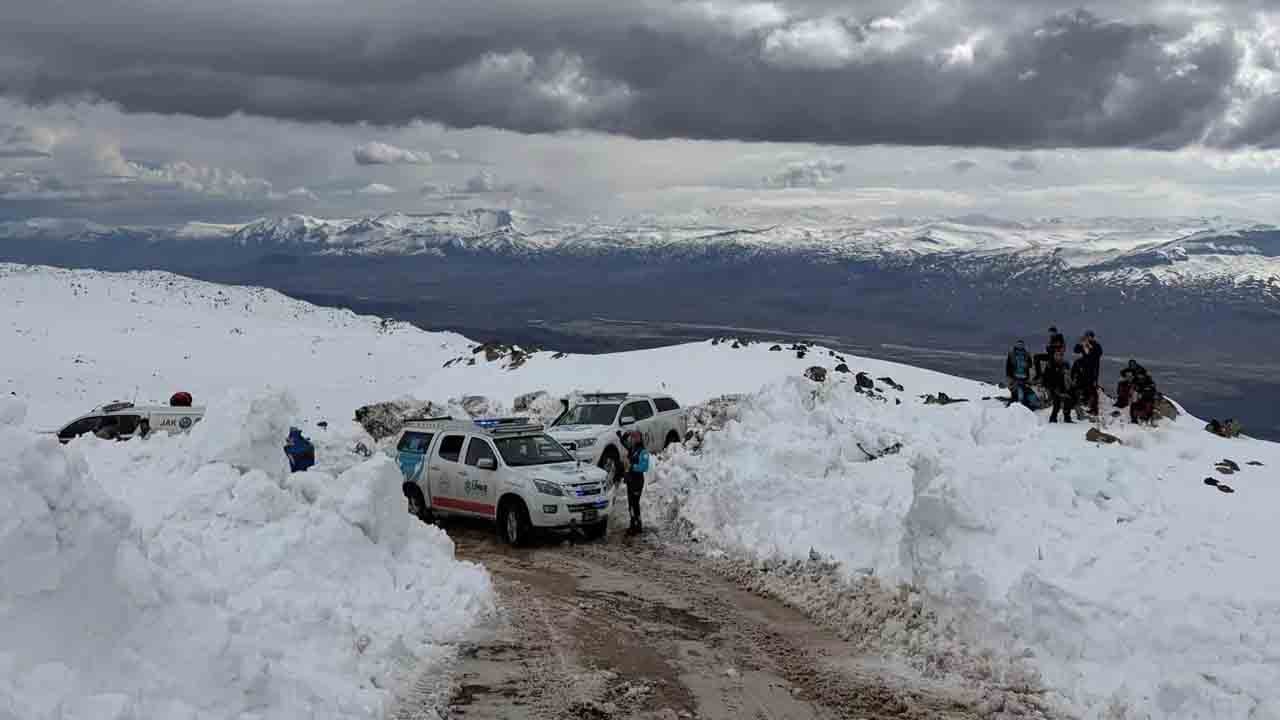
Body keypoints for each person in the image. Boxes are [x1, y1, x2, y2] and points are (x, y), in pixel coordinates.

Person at [621, 430, 650, 536]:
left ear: (641, 438)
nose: (635, 439)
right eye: (633, 437)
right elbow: (623, 441)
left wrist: (632, 466)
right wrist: (627, 433)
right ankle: (632, 524)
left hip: (637, 481)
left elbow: (644, 467)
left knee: (635, 503)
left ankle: (638, 525)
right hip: (630, 480)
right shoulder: (632, 448)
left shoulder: (643, 451)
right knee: (630, 504)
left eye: (637, 437)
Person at [1043, 350, 1075, 423]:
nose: (1058, 357)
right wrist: (1048, 387)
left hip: (1064, 386)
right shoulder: (1050, 364)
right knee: (1056, 404)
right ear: (1054, 356)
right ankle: (1053, 419)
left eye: (1060, 355)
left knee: (1068, 402)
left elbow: (1069, 375)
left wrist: (1070, 385)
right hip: (1054, 387)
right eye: (1056, 355)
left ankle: (1067, 418)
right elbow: (1046, 377)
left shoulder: (1066, 364)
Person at [1079, 331, 1104, 416]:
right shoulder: (1084, 344)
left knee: (1093, 389)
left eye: (1088, 336)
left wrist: (1090, 346)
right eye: (1086, 336)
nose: (1087, 338)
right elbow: (1076, 350)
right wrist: (1082, 344)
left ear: (1092, 337)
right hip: (1085, 370)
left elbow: (1099, 353)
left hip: (1093, 371)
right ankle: (1087, 404)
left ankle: (1094, 409)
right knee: (1086, 387)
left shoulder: (1096, 345)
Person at [1005, 340, 1032, 404]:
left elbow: (1030, 364)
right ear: (1016, 345)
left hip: (1024, 375)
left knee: (1022, 389)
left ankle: (1021, 403)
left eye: (1021, 345)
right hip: (1014, 375)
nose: (1020, 346)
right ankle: (1014, 402)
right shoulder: (1011, 353)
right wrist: (1008, 375)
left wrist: (1027, 365)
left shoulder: (1027, 354)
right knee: (1014, 389)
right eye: (1019, 344)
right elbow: (1008, 365)